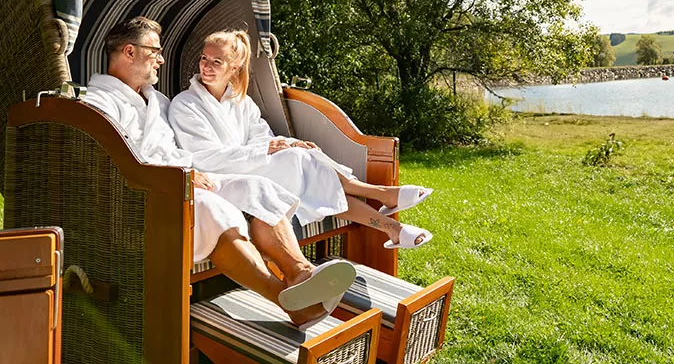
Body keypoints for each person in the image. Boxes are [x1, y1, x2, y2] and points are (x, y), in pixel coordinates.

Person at [84, 17, 356, 328]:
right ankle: (287, 302)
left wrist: (191, 171)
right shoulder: (98, 103)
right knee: (215, 209)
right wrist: (183, 175)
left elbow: (180, 150)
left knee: (258, 187)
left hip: (185, 175)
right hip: (149, 191)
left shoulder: (156, 100)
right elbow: (115, 163)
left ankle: (301, 273)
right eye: (155, 51)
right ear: (130, 52)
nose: (161, 59)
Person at [169, 30, 432, 249]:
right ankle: (380, 197)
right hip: (218, 174)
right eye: (204, 58)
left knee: (305, 163)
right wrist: (272, 150)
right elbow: (202, 157)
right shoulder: (185, 105)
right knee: (301, 163)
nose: (206, 66)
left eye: (217, 62)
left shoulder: (243, 102)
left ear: (235, 67)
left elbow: (262, 138)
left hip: (251, 165)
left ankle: (391, 226)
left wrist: (289, 143)